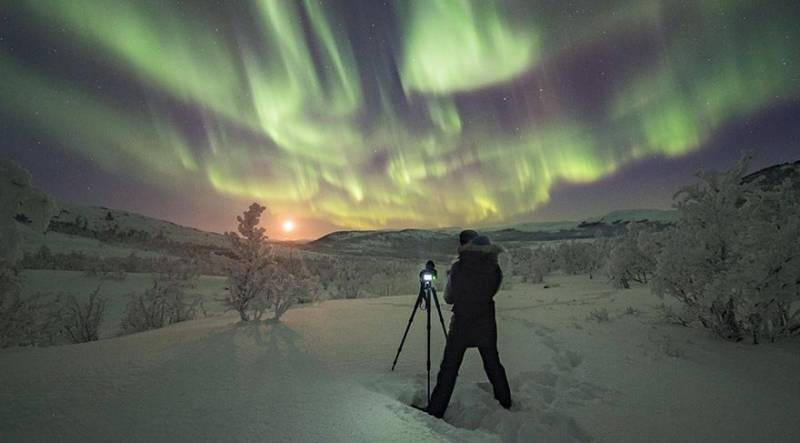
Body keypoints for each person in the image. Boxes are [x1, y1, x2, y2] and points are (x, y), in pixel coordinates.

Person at [425, 230, 512, 418]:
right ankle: (505, 401)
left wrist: (453, 280)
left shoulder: (459, 268)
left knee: (449, 368)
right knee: (493, 363)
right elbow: (491, 291)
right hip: (486, 322)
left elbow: (449, 298)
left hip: (462, 323)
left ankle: (435, 410)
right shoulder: (494, 268)